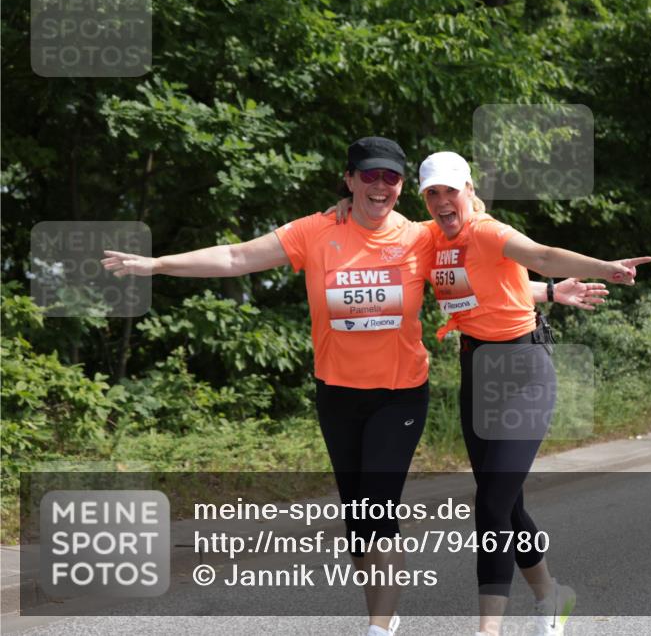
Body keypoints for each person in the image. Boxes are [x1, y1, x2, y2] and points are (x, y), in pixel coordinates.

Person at [102, 137, 608, 636]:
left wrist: (548, 290)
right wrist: (156, 264)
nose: (380, 185)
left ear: (402, 186)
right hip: (337, 394)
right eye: (369, 176)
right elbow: (235, 258)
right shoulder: (317, 232)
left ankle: (384, 627)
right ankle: (547, 594)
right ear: (349, 181)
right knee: (365, 520)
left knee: (413, 506)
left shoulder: (420, 237)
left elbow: (478, 272)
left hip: (402, 393)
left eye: (391, 177)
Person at [334, 151, 651, 636]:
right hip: (476, 373)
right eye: (432, 193)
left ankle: (489, 630)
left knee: (490, 504)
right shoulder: (432, 240)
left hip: (523, 372)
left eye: (450, 191)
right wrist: (341, 208)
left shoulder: (487, 230)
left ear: (469, 190)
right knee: (507, 502)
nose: (442, 202)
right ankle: (551, 596)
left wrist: (603, 267)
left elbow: (540, 256)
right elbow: (484, 285)